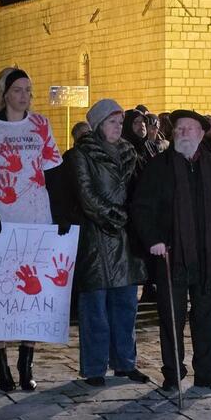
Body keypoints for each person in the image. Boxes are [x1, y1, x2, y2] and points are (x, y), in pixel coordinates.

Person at [0, 67, 64, 391]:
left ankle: (27, 360)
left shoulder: (40, 125)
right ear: (5, 92)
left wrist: (60, 212)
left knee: (33, 292)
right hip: (3, 220)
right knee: (2, 292)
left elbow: (54, 171)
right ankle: (1, 362)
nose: (24, 96)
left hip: (37, 218)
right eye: (18, 89)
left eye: (28, 90)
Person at [132, 109, 211, 393]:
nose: (182, 133)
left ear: (202, 134)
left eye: (189, 128)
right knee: (171, 317)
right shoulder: (159, 166)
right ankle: (173, 372)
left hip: (206, 256)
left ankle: (206, 372)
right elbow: (142, 207)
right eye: (178, 129)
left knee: (207, 317)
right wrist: (153, 238)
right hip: (170, 255)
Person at [70, 100, 147, 387]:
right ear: (99, 124)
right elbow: (86, 194)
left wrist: (136, 216)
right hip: (96, 239)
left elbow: (138, 189)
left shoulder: (130, 152)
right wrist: (115, 216)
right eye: (112, 122)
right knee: (95, 309)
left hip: (126, 240)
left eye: (119, 121)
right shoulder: (82, 154)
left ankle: (125, 362)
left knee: (126, 305)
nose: (118, 127)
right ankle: (94, 367)